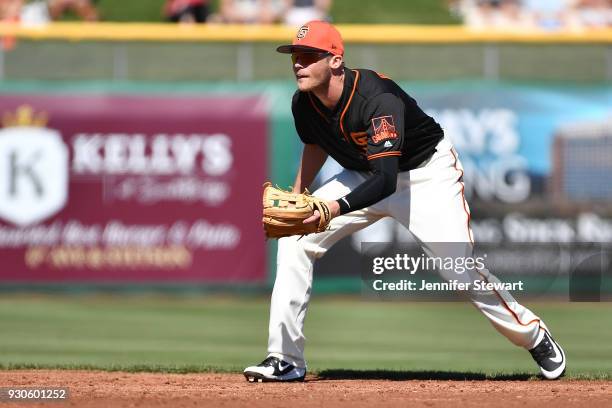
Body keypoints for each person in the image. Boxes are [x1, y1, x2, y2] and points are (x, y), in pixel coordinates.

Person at [243, 20, 567, 383]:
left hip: (424, 175)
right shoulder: (304, 102)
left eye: (308, 56)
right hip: (363, 171)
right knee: (294, 241)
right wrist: (300, 190)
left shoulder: (377, 98)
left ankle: (533, 334)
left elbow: (386, 180)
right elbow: (316, 142)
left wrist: (331, 208)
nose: (298, 64)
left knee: (458, 269)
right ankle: (285, 359)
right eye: (295, 56)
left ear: (335, 60)